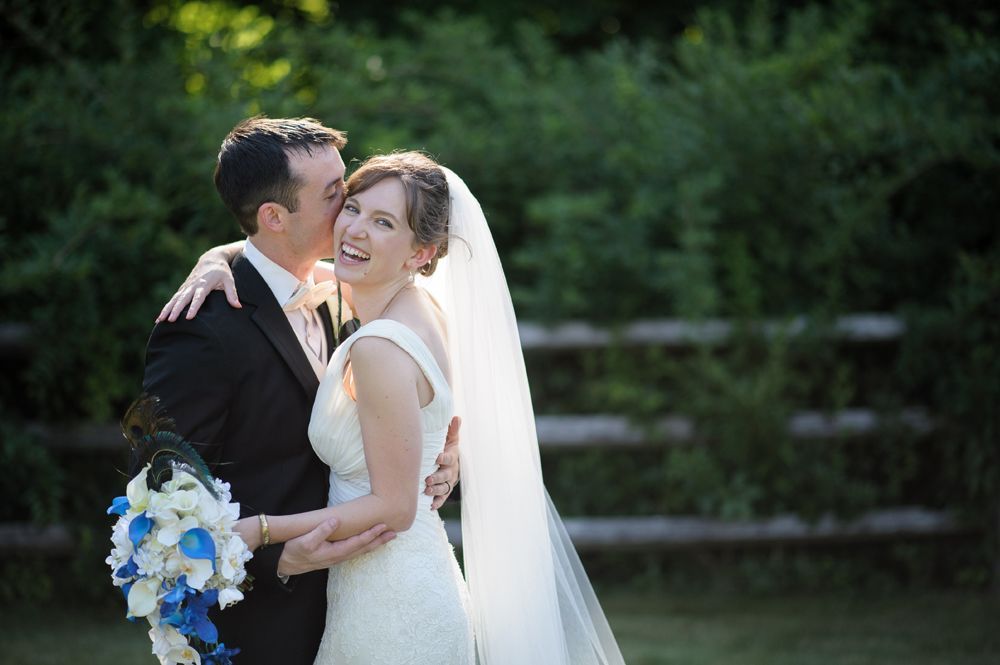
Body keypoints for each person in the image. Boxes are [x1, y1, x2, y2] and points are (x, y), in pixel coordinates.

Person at [174, 150, 625, 664]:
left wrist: (260, 530)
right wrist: (215, 258)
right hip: (398, 580)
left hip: (389, 602)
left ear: (419, 254)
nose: (355, 230)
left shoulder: (381, 345)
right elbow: (271, 263)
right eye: (353, 207)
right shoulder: (414, 303)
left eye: (383, 222)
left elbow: (394, 507)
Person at [142, 117, 461, 665]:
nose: (350, 207)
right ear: (273, 216)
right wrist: (274, 557)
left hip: (369, 595)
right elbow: (165, 494)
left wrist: (444, 451)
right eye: (338, 195)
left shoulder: (352, 288)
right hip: (267, 623)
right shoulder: (203, 328)